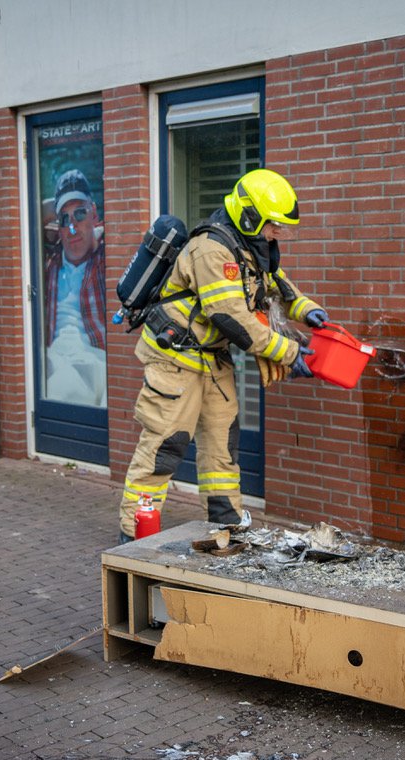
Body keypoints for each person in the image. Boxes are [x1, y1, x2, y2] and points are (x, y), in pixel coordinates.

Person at [118, 168, 330, 542]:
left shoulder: (250, 248)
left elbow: (277, 287)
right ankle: (134, 532)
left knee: (222, 448)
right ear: (250, 215)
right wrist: (288, 351)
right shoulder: (211, 250)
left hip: (213, 360)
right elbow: (229, 316)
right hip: (175, 359)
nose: (277, 233)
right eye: (273, 225)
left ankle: (225, 525)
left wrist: (307, 309)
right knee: (165, 446)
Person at [42, 168, 106, 407]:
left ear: (94, 214)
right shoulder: (49, 261)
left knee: (61, 389)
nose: (72, 227)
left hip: (94, 359)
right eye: (64, 219)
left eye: (80, 213)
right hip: (54, 357)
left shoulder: (107, 256)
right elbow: (23, 220)